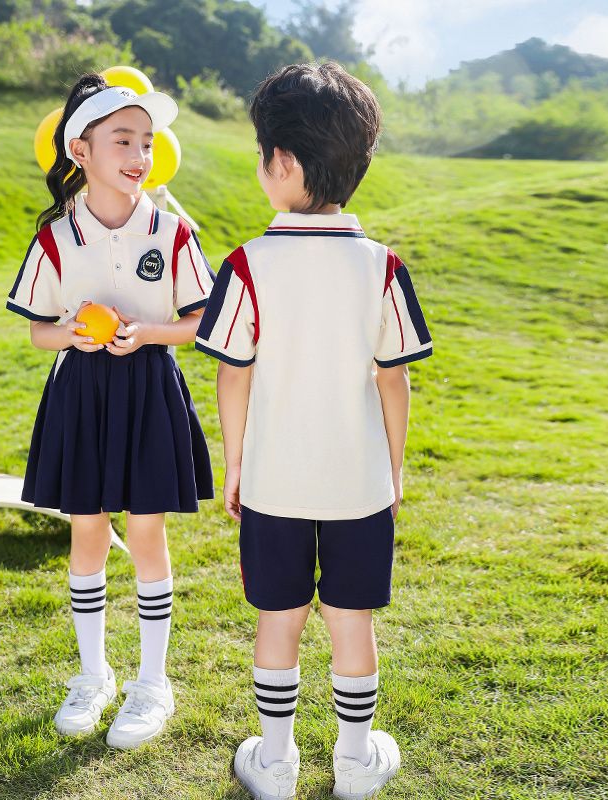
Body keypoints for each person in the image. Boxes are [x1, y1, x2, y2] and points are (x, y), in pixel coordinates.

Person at [195, 62, 432, 799]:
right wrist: (394, 472)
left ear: (283, 163)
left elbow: (232, 374)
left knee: (280, 616)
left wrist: (235, 466)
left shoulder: (246, 264)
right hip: (360, 481)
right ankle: (356, 764)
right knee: (350, 618)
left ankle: (275, 763)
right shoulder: (382, 266)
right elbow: (394, 378)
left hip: (274, 479)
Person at [6, 73, 214, 750]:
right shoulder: (56, 239)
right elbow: (39, 329)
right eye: (122, 139)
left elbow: (198, 321)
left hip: (150, 387)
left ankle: (152, 683)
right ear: (80, 149)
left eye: (147, 141)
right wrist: (76, 334)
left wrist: (144, 333)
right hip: (82, 391)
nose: (138, 153)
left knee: (147, 533)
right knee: (88, 531)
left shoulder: (172, 231)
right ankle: (93, 675)